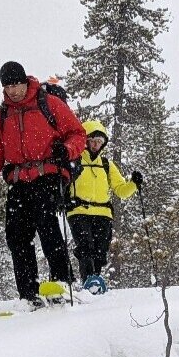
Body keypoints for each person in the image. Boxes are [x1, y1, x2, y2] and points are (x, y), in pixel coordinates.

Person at [0, 61, 87, 308]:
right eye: (7, 86)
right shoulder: (0, 116)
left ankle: (62, 282)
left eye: (16, 84)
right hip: (18, 182)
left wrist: (66, 150)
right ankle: (28, 294)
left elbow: (78, 134)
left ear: (25, 81)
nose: (13, 90)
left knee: (48, 228)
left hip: (47, 175)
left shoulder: (49, 104)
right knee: (16, 237)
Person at [66, 119, 142, 294]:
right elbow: (62, 183)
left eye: (99, 142)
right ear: (85, 140)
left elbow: (121, 190)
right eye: (92, 140)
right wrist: (66, 200)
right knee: (85, 246)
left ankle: (95, 281)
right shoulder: (74, 161)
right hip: (79, 210)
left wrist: (134, 184)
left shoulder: (106, 164)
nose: (95, 145)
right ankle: (89, 281)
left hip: (103, 213)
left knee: (100, 250)